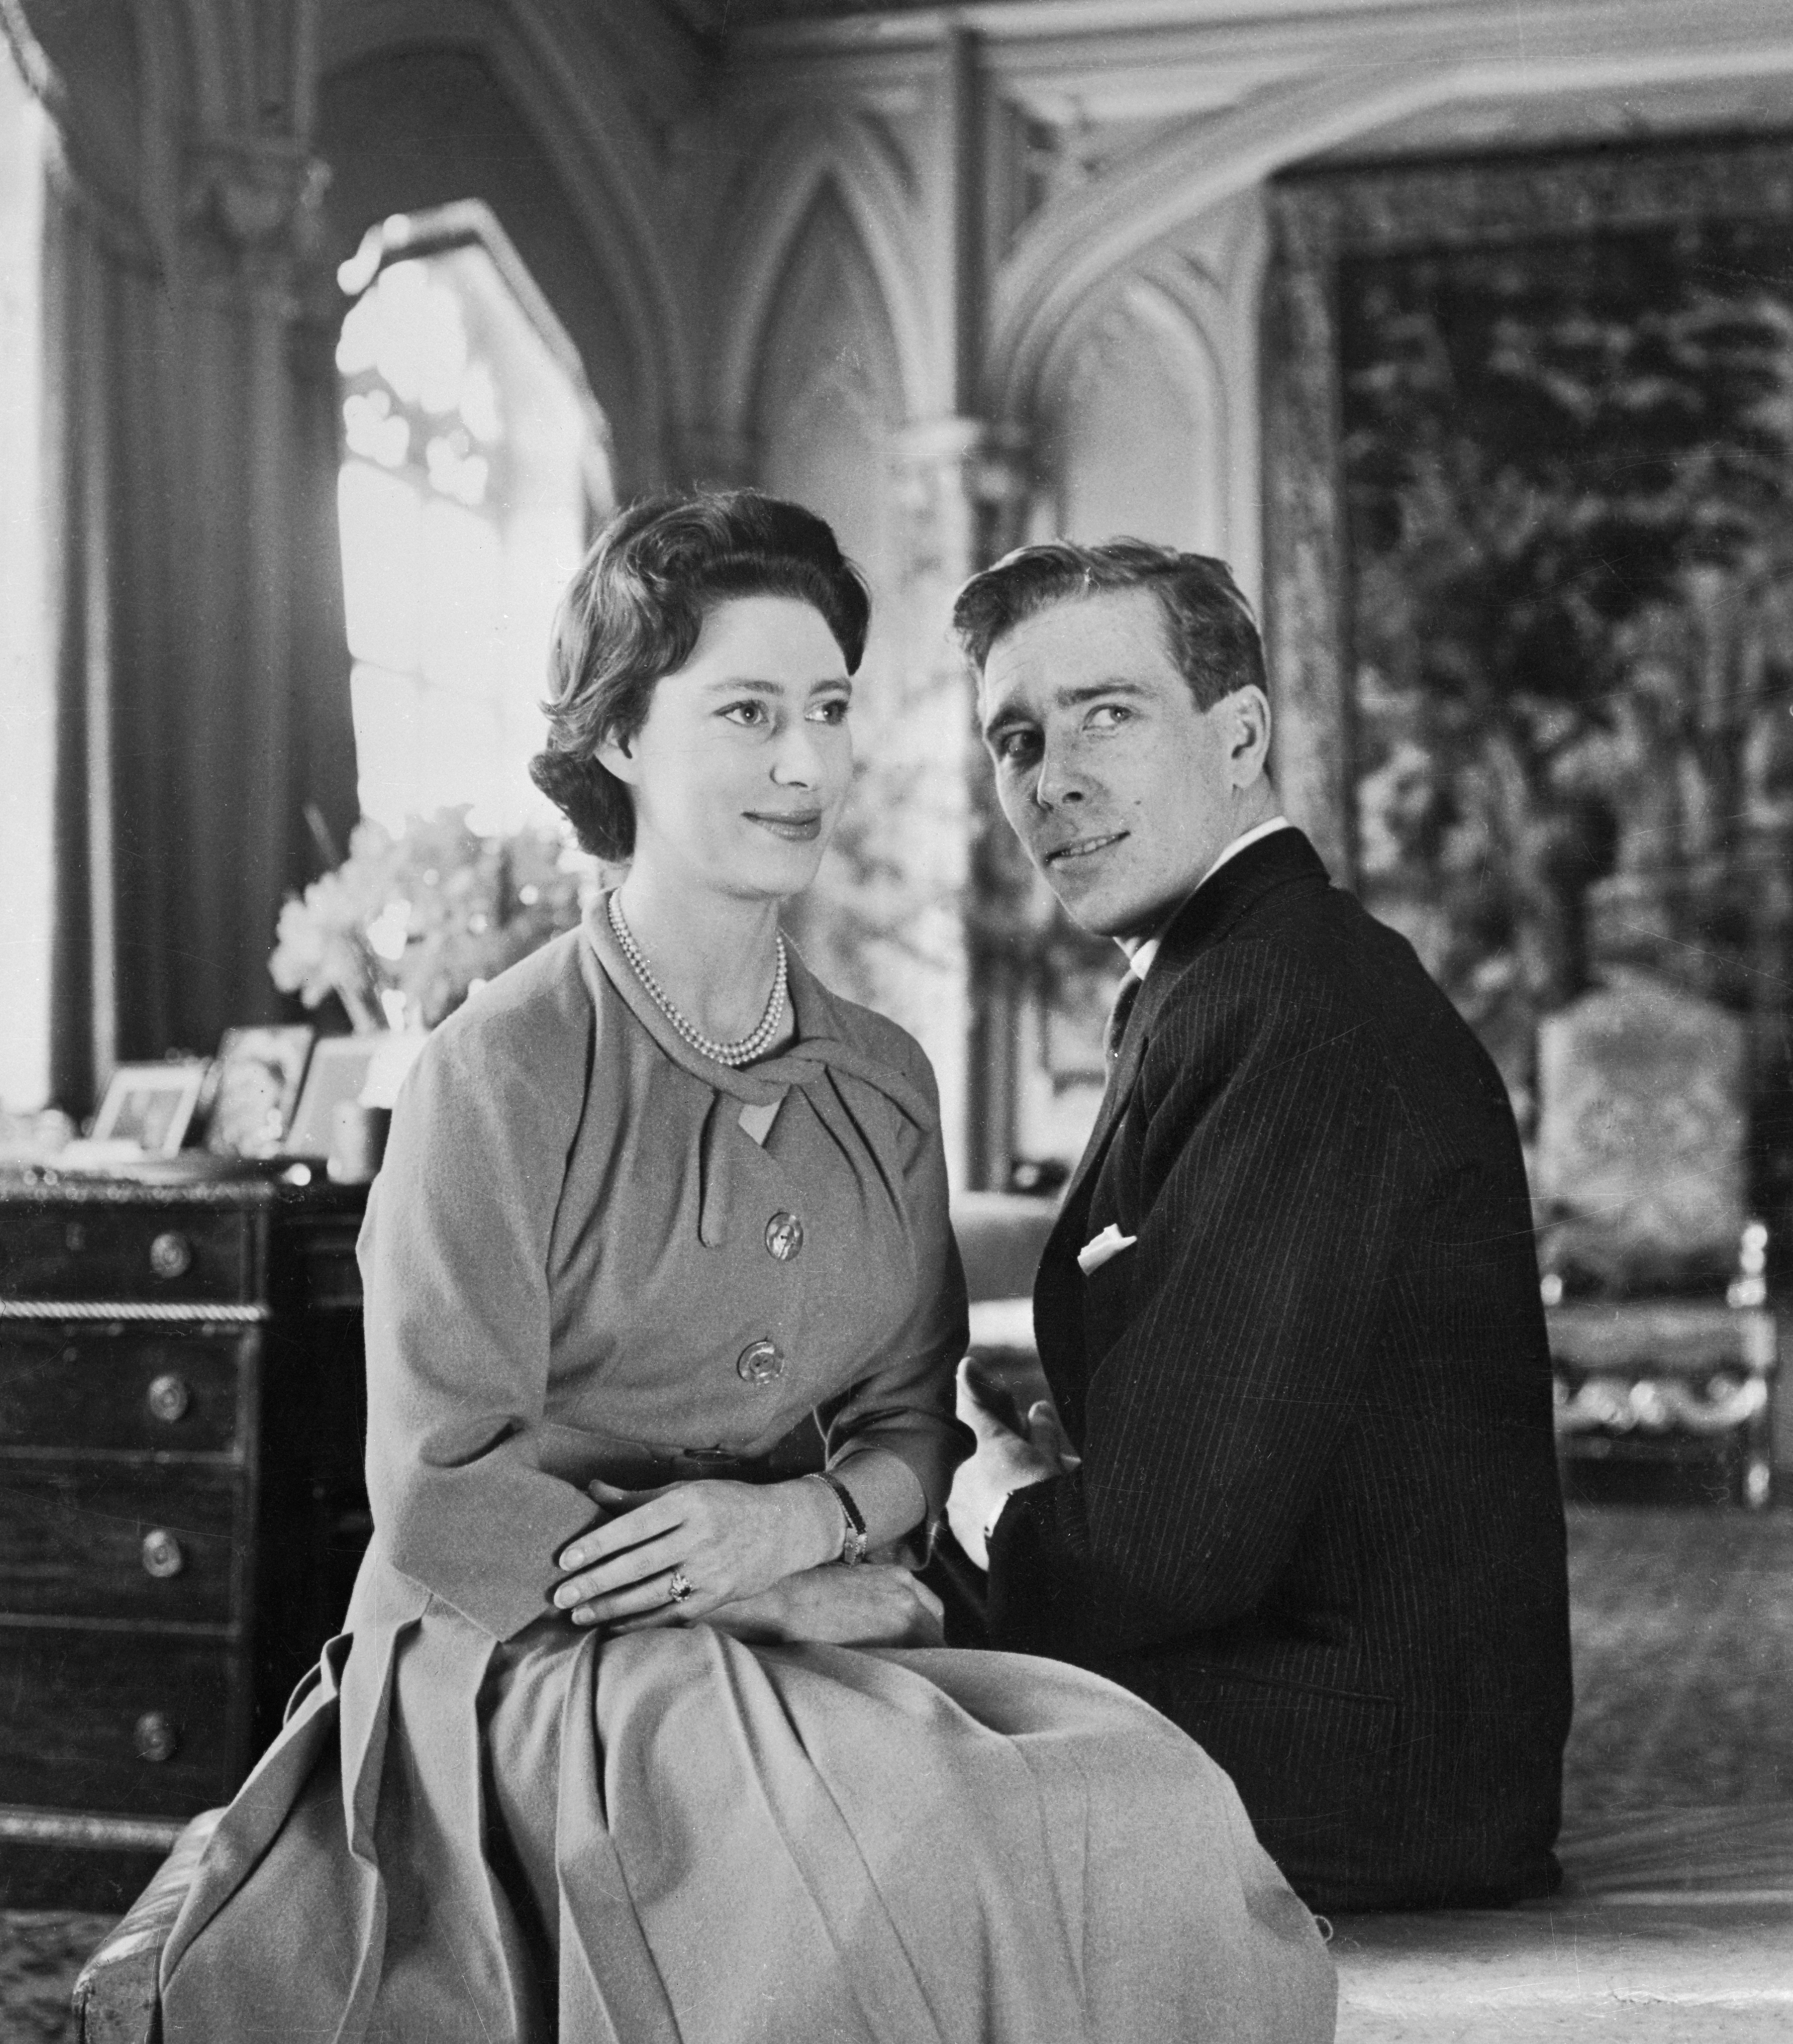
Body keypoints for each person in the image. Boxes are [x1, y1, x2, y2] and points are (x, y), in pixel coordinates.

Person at [158, 495, 1334, 2043]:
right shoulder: (494, 1068)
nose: (804, 765)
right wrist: (738, 1599)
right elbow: (444, 1490)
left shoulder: (883, 1079)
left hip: (803, 1613)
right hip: (528, 1652)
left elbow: (917, 1428)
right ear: (625, 740)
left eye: (829, 711)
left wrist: (804, 1527)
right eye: (747, 713)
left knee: (1141, 1793)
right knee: (890, 1853)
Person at [945, 539, 1573, 1914]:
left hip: (1369, 1769)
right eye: (1015, 736)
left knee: (792, 1742)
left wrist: (981, 1500)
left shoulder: (1293, 1010)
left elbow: (1168, 1550)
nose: (1051, 778)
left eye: (1108, 712)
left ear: (1240, 736)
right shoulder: (1237, 974)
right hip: (1337, 1707)